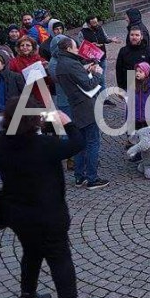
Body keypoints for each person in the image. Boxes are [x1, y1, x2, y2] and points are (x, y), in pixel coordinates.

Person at [0, 98, 89, 298]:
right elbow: (77, 143)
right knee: (60, 257)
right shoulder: (43, 145)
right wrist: (68, 123)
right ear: (33, 120)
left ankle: (27, 296)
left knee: (31, 251)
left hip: (17, 213)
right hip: (48, 213)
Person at [53, 37, 107, 189]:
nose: (78, 50)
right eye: (76, 47)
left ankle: (79, 177)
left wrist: (84, 70)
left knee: (81, 143)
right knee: (92, 142)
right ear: (68, 49)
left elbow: (76, 79)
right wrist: (97, 73)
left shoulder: (61, 63)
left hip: (75, 106)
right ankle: (92, 179)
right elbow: (89, 85)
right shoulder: (70, 63)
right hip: (86, 107)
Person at [78, 16, 121, 91]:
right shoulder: (82, 33)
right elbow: (80, 47)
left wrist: (111, 40)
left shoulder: (100, 28)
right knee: (94, 80)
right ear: (88, 24)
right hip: (91, 61)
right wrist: (91, 45)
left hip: (102, 57)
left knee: (102, 79)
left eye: (96, 22)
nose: (96, 24)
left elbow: (105, 39)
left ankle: (103, 98)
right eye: (94, 23)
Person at [10, 36, 51, 105]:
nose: (25, 47)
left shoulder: (39, 60)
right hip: (24, 94)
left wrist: (46, 69)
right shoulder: (14, 62)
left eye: (28, 45)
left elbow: (48, 80)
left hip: (40, 93)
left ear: (33, 47)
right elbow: (12, 79)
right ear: (19, 48)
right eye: (22, 45)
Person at [115, 26, 150, 92]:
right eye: (132, 35)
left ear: (141, 37)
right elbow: (119, 70)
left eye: (137, 35)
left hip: (144, 86)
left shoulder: (148, 51)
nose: (134, 37)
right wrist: (120, 88)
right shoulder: (123, 51)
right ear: (129, 36)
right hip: (128, 85)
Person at [130, 62, 150, 131]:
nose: (137, 73)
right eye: (136, 71)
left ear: (146, 73)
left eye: (140, 72)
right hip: (135, 120)